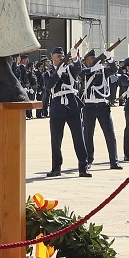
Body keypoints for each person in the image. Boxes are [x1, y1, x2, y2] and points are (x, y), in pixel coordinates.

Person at [46, 47, 89, 176]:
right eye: (58, 56)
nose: (60, 58)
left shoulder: (69, 69)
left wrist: (75, 59)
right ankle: (56, 168)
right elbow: (48, 86)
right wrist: (58, 73)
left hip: (72, 105)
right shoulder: (48, 72)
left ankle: (83, 167)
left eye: (62, 56)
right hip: (57, 106)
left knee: (79, 137)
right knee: (56, 139)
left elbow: (78, 69)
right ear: (52, 57)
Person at [81, 50, 121, 170]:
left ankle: (114, 161)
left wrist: (110, 59)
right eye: (91, 58)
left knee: (110, 134)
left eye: (95, 58)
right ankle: (88, 160)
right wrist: (94, 68)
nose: (94, 60)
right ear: (86, 60)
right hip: (89, 106)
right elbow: (81, 74)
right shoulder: (85, 71)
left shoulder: (103, 71)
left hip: (103, 106)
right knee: (88, 135)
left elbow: (114, 69)